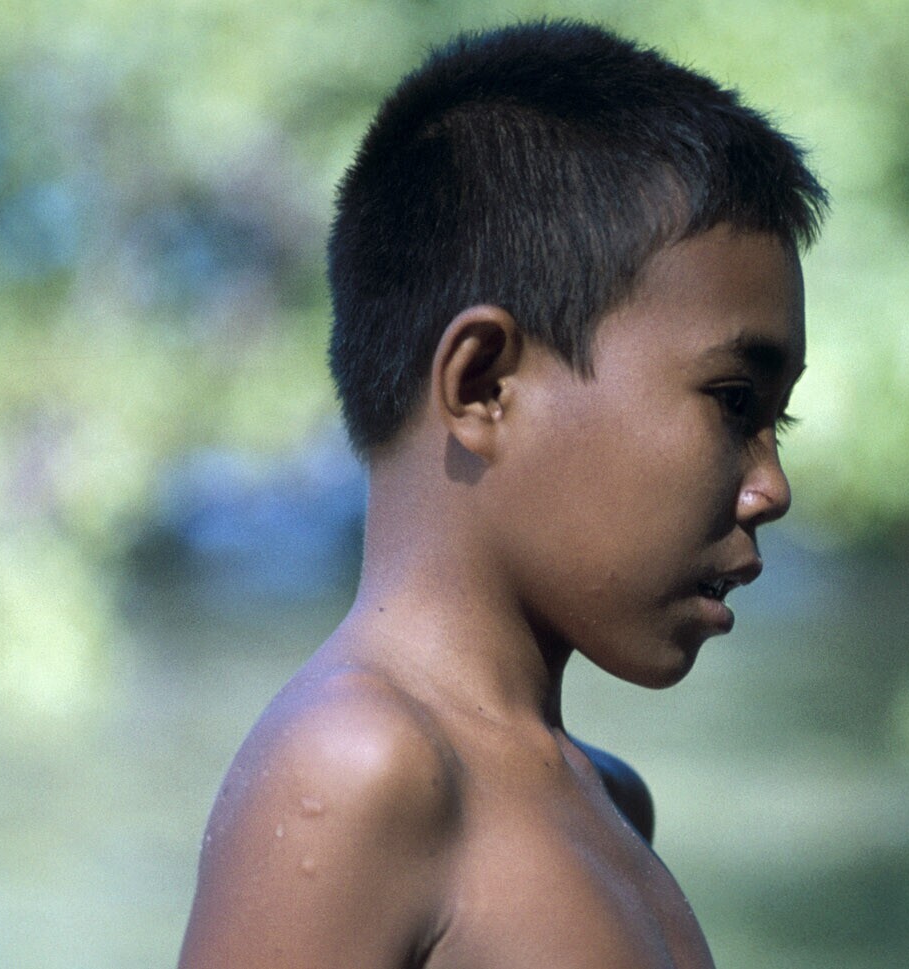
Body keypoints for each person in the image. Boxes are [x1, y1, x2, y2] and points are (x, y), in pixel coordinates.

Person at [176, 19, 825, 969]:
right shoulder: (356, 766)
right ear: (483, 384)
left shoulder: (612, 800)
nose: (771, 486)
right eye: (734, 402)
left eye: (777, 420)